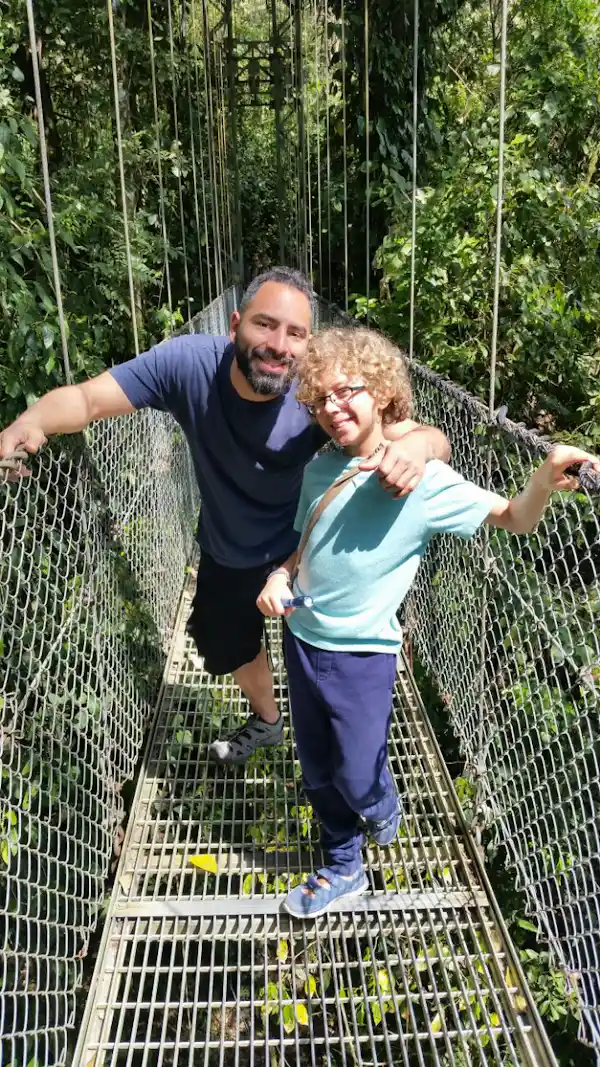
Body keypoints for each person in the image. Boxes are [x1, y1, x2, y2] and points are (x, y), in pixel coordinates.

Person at [0, 268, 452, 765]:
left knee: (333, 663)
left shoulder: (320, 387)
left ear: (308, 344)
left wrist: (416, 446)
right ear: (234, 324)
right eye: (264, 324)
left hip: (314, 546)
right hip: (231, 548)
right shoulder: (187, 364)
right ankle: (269, 720)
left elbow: (427, 436)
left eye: (296, 334)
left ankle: (346, 761)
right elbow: (87, 398)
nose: (279, 345)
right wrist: (32, 420)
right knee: (227, 644)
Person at [257, 326, 600, 919]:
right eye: (320, 401)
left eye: (347, 392)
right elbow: (303, 546)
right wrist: (278, 576)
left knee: (358, 772)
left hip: (364, 656)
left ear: (384, 392)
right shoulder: (320, 467)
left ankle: (380, 802)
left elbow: (515, 519)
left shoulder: (426, 483)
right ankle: (342, 864)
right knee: (316, 765)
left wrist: (544, 478)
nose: (333, 409)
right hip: (302, 639)